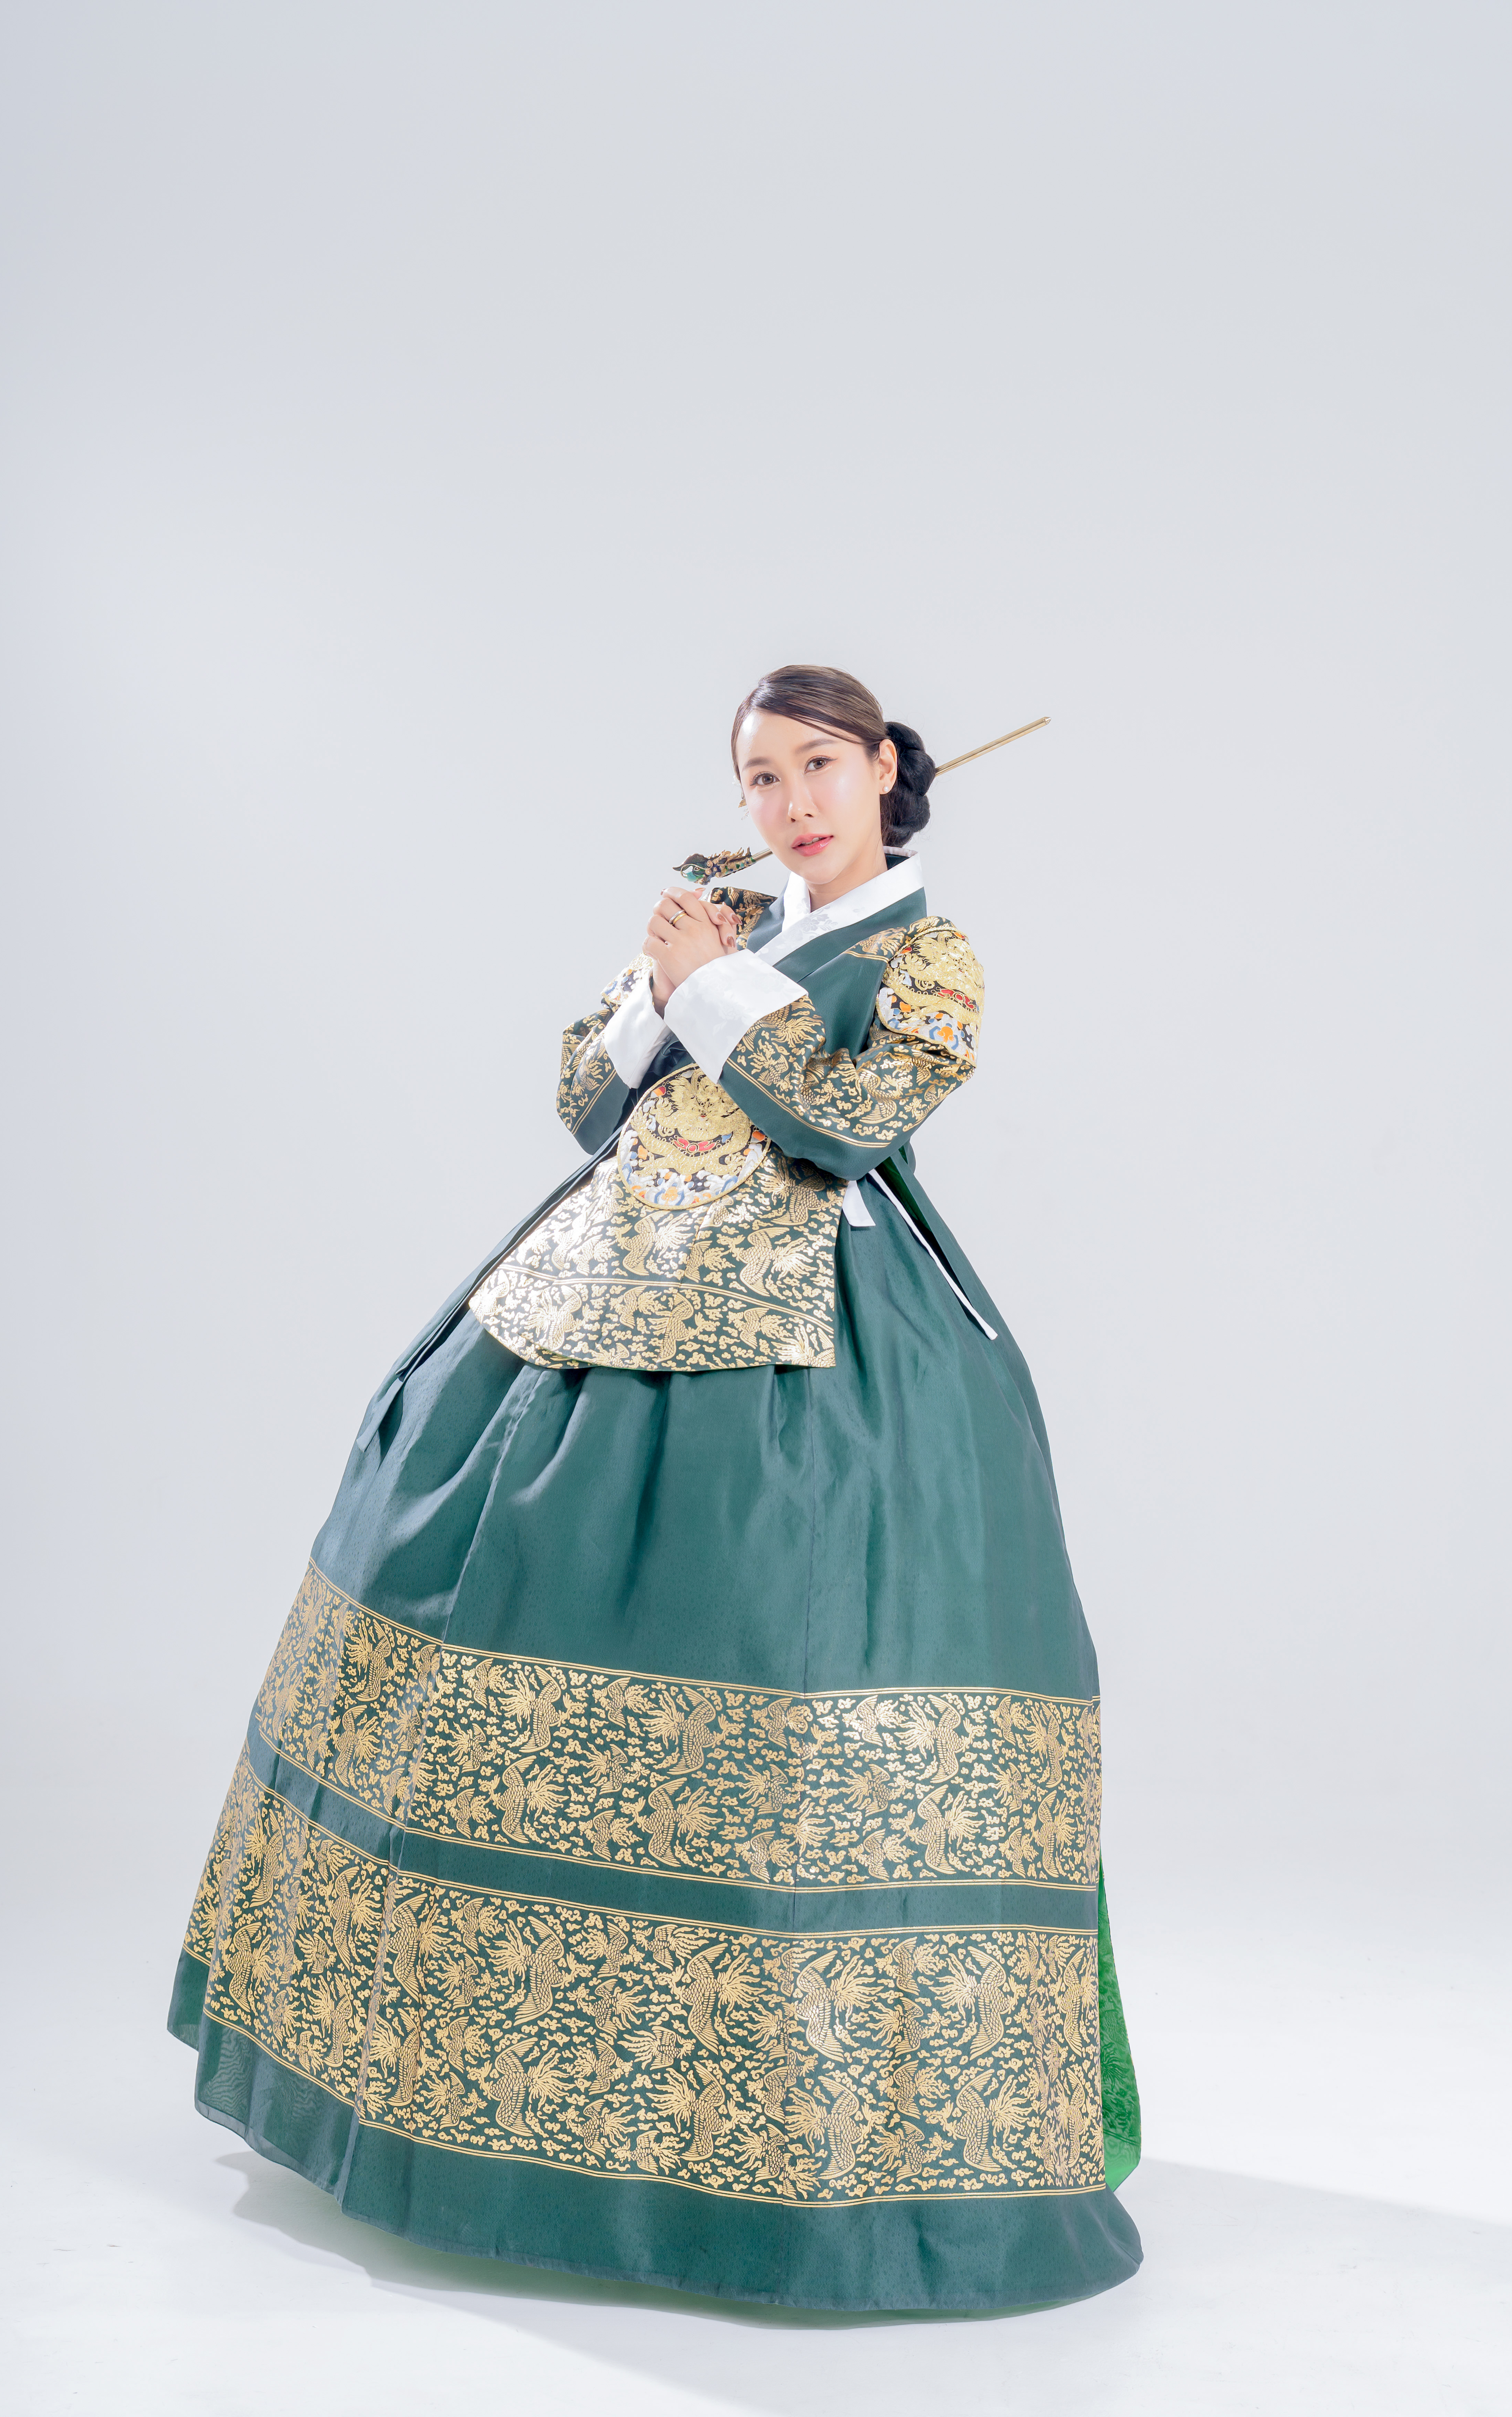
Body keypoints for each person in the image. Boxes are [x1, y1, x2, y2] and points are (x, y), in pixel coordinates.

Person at [169, 662, 1143, 2311]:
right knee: (452, 1593)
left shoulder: (927, 955)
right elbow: (581, 1105)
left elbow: (850, 1124)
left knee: (788, 1653)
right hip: (589, 1301)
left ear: (885, 768)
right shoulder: (734, 921)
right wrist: (662, 978)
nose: (792, 803)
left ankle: (781, 2149)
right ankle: (452, 2102)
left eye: (818, 765)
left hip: (823, 1346)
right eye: (761, 777)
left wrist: (715, 992)